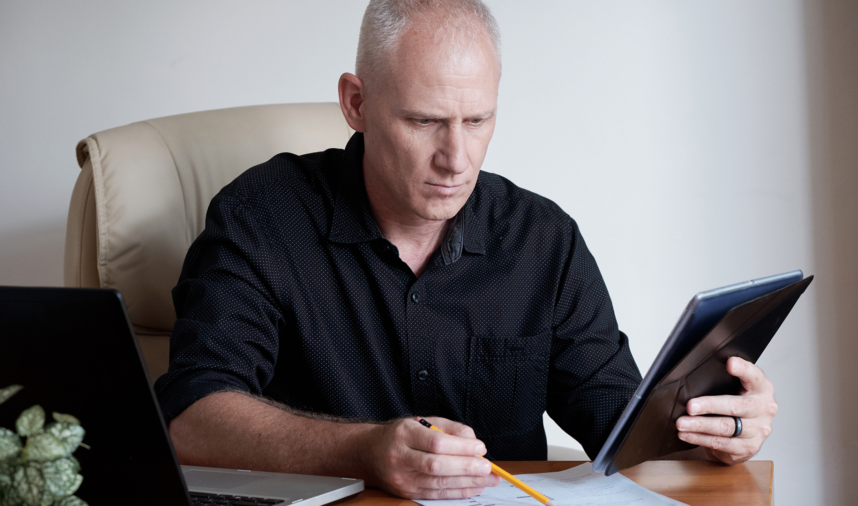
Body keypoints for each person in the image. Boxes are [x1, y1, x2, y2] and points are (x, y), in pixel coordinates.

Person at [154, 0, 779, 500]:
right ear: (356, 103)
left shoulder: (543, 240)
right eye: (424, 121)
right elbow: (190, 420)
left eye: (477, 121)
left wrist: (713, 429)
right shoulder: (261, 216)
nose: (457, 160)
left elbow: (617, 424)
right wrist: (364, 450)